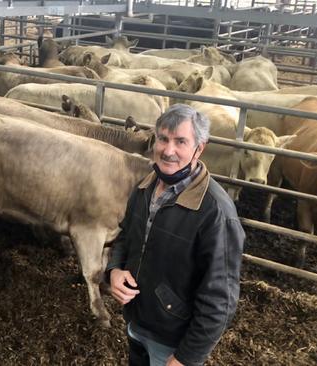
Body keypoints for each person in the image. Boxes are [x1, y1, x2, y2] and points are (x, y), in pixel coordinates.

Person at [106, 104, 245, 366]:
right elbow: (125, 237)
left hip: (172, 342)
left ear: (199, 148)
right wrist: (114, 270)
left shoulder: (215, 212)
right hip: (137, 322)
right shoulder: (145, 187)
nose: (168, 151)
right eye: (163, 139)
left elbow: (220, 300)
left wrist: (186, 357)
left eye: (181, 141)